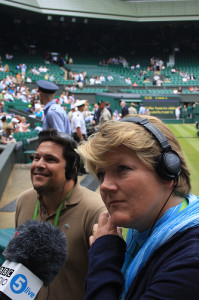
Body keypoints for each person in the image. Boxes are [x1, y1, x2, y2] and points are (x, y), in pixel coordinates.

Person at [78, 115, 199, 300]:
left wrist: (103, 257)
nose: (104, 186)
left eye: (122, 168)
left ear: (168, 172)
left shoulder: (191, 263)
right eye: (101, 174)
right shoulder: (144, 233)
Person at [15, 129, 105, 300]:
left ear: (71, 170)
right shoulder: (23, 201)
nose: (39, 164)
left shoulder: (95, 211)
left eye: (50, 159)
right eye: (36, 157)